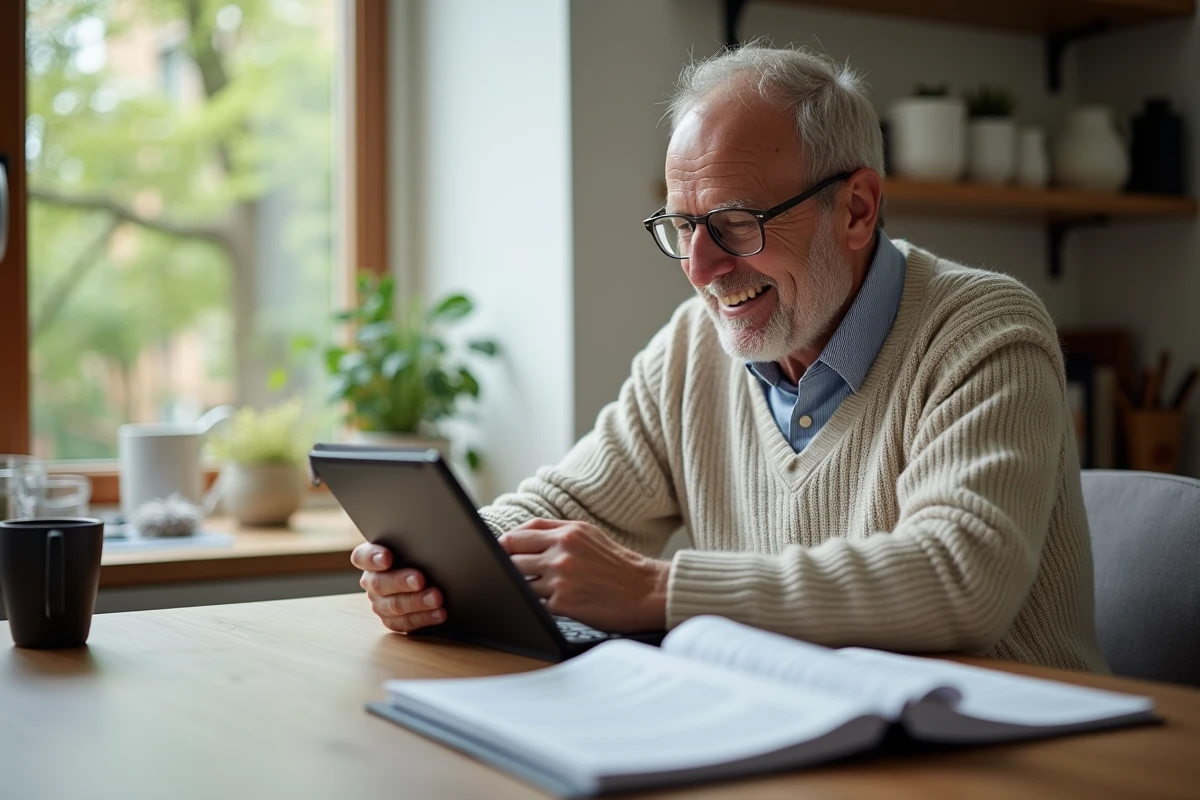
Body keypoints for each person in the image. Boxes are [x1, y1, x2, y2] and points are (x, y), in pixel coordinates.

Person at [352, 44, 1107, 673]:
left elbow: (956, 578)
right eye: (683, 226)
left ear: (856, 209)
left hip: (1019, 755)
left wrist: (658, 591)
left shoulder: (984, 330)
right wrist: (437, 571)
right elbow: (566, 508)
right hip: (802, 742)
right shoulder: (691, 348)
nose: (700, 267)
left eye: (736, 223)